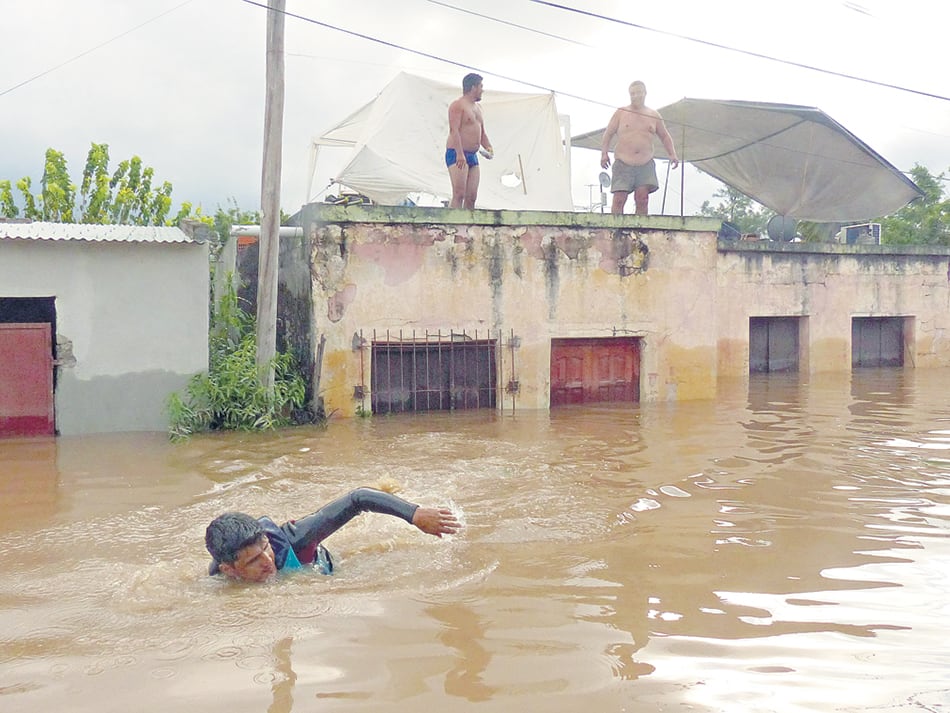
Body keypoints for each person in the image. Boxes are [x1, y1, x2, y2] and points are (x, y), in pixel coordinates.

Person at [205, 487, 461, 583]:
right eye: (254, 561)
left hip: (320, 566)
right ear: (230, 570)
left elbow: (358, 499)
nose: (268, 561)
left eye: (266, 549)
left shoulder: (298, 538)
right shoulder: (220, 573)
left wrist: (414, 514)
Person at [600, 80, 679, 216]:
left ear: (645, 93)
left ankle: (640, 227)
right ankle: (615, 227)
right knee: (619, 199)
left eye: (639, 93)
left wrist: (672, 154)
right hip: (623, 162)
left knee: (642, 199)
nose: (636, 96)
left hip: (645, 163)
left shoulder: (653, 115)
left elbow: (665, 136)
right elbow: (608, 134)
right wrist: (604, 154)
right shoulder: (621, 113)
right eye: (633, 93)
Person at [446, 72, 493, 209]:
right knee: (459, 194)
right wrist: (460, 154)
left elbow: (482, 133)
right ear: (473, 87)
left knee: (471, 197)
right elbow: (454, 130)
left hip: (473, 154)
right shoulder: (458, 105)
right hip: (457, 153)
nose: (482, 90)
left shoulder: (478, 108)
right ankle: (452, 221)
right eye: (480, 86)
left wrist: (489, 147)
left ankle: (468, 221)